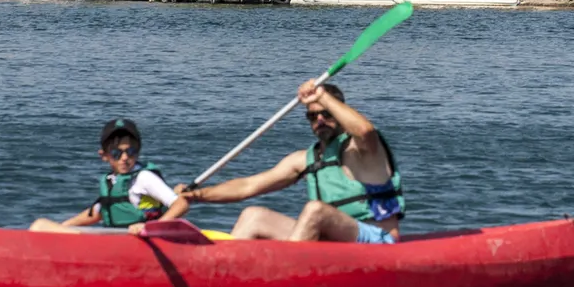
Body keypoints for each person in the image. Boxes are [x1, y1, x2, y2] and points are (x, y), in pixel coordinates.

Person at [168, 81, 402, 244]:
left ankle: (289, 271)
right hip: (331, 238)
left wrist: (321, 96)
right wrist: (197, 195)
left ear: (339, 112)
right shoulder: (305, 159)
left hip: (375, 237)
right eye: (312, 116)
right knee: (253, 215)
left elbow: (364, 130)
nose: (320, 120)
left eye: (326, 114)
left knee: (316, 210)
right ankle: (223, 271)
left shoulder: (364, 149)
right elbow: (248, 187)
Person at [30, 119, 177, 233]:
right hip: (117, 239)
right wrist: (63, 226)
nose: (124, 157)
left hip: (140, 241)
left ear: (138, 152)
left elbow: (180, 204)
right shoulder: (111, 181)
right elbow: (96, 213)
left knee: (39, 226)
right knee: (41, 225)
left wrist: (152, 228)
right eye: (116, 153)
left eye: (131, 151)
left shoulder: (144, 177)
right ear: (104, 156)